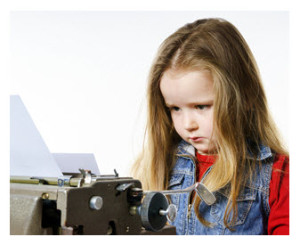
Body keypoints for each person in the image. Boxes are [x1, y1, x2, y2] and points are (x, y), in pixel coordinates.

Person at [131, 18, 289, 235]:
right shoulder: (158, 166)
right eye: (175, 108)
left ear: (247, 97)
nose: (188, 125)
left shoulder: (279, 175)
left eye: (201, 106)